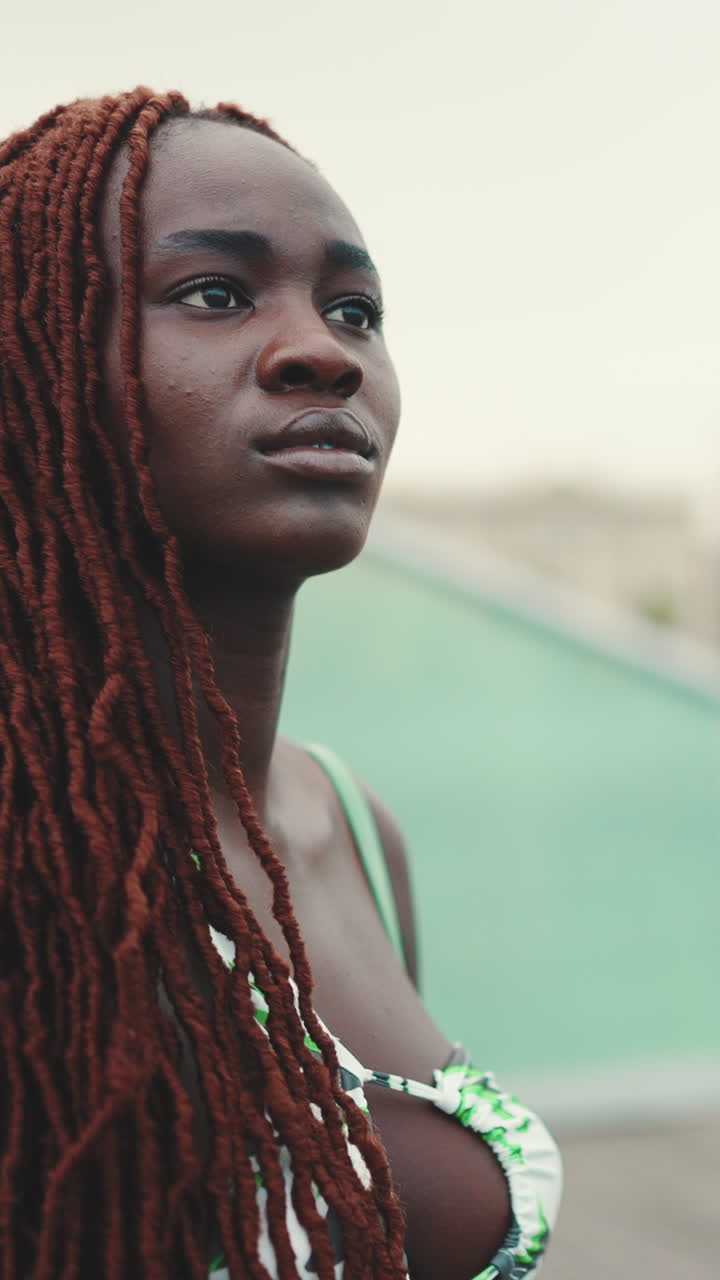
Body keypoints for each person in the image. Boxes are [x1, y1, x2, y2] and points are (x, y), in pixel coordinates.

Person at [0, 89, 561, 1279]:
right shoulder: (26, 848)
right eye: (215, 291)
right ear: (30, 358)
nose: (324, 350)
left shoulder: (351, 827)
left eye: (355, 309)